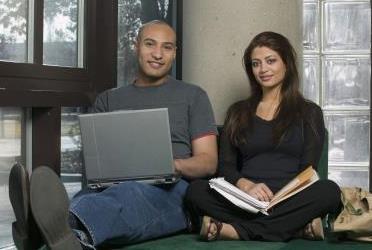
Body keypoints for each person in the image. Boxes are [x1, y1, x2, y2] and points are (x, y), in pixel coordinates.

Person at [9, 20, 218, 250]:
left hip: (174, 191)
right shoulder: (109, 100)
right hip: (112, 186)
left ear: (174, 53)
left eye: (167, 47)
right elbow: (95, 165)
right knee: (90, 195)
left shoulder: (193, 96)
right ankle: (64, 236)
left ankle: (37, 230)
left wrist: (173, 165)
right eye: (150, 44)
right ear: (136, 45)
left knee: (130, 192)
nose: (158, 54)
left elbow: (208, 162)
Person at [185, 31, 342, 242]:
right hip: (244, 201)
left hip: (290, 200)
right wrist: (247, 186)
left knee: (329, 191)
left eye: (271, 61)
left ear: (286, 63)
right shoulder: (237, 112)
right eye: (255, 64)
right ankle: (294, 229)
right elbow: (226, 167)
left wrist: (279, 198)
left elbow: (308, 170)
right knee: (195, 191)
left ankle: (234, 231)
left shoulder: (309, 112)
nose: (263, 69)